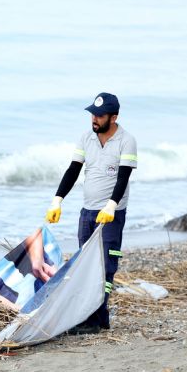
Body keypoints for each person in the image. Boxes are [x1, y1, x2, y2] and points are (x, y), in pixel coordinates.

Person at [45, 92, 138, 334]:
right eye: (92, 115)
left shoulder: (127, 140)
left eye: (99, 115)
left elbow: (123, 177)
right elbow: (73, 170)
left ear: (114, 117)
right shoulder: (86, 138)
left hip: (111, 215)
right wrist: (57, 200)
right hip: (87, 213)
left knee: (106, 266)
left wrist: (111, 205)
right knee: (85, 265)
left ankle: (98, 318)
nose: (94, 119)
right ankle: (90, 317)